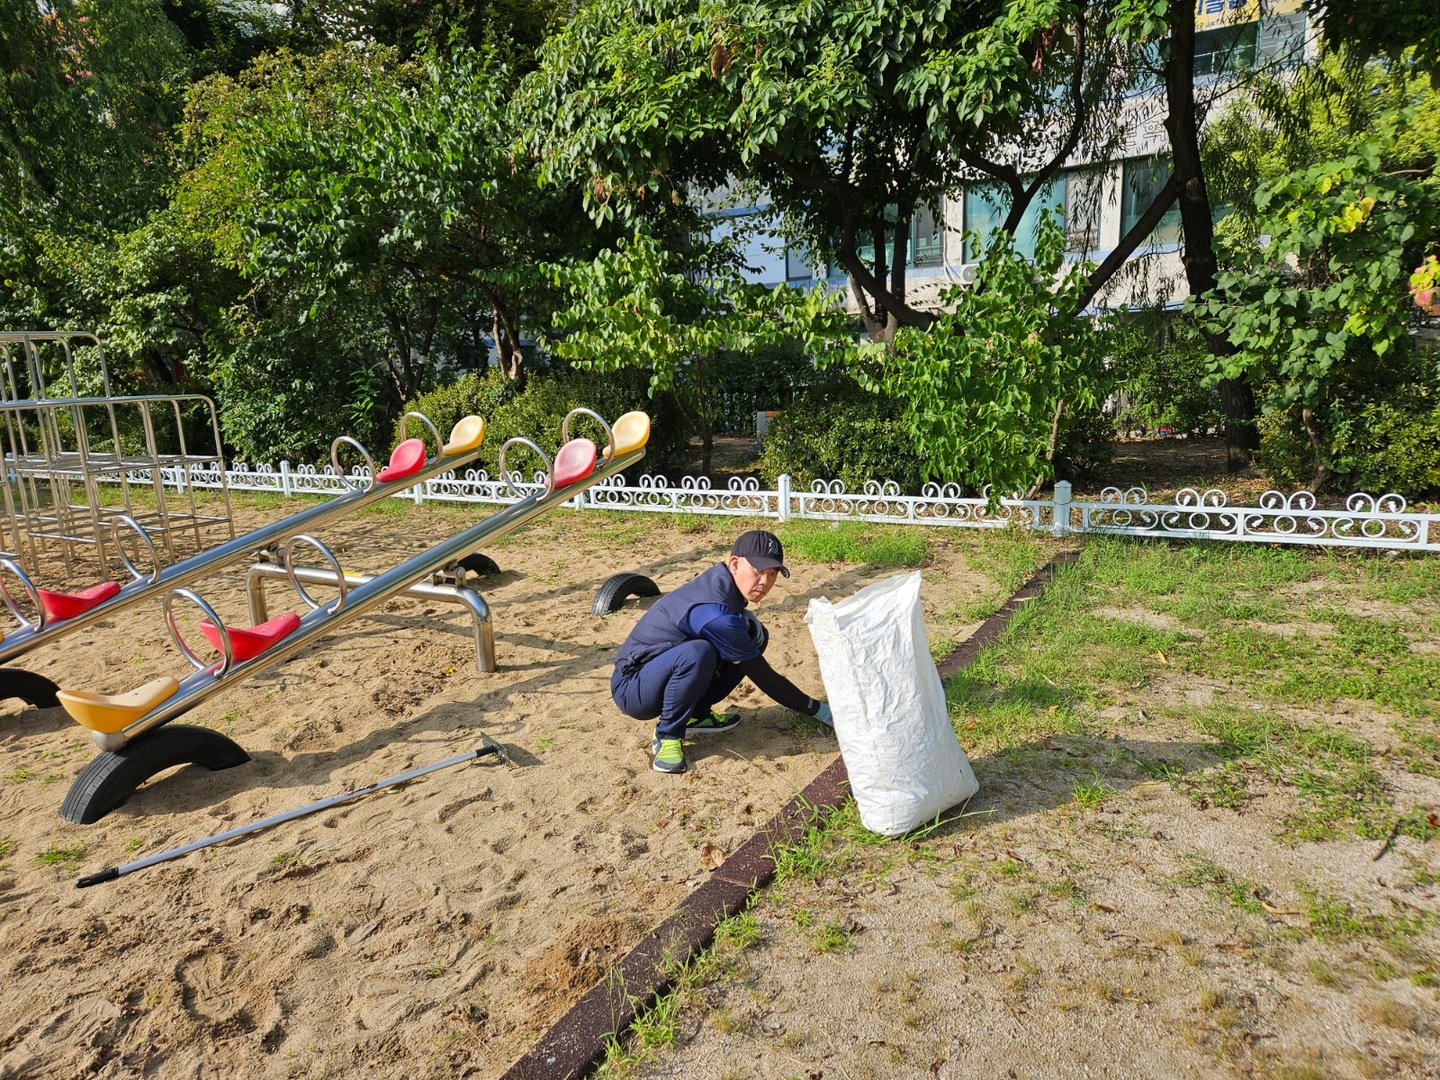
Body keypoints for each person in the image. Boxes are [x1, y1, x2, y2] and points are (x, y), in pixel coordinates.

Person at [610, 529, 832, 774]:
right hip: (633, 687)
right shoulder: (716, 613)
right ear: (735, 563)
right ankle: (667, 734)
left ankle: (697, 715)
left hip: (664, 668)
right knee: (699, 653)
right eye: (758, 571)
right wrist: (820, 711)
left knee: (753, 635)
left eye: (772, 574)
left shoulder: (722, 581)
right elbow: (765, 677)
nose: (765, 582)